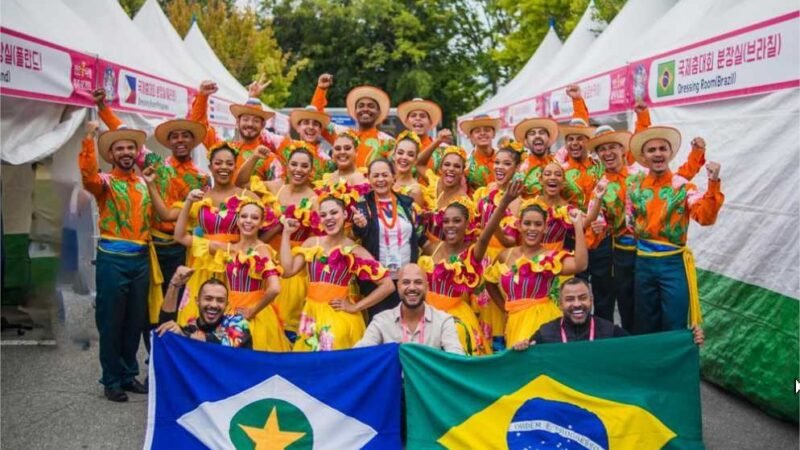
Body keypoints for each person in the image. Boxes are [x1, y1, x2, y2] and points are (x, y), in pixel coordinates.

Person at [92, 88, 210, 329]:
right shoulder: (157, 165)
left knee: (180, 299)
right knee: (149, 304)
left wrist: (203, 98)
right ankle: (152, 354)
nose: (179, 140)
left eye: (185, 135)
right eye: (174, 136)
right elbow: (125, 136)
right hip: (152, 246)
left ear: (193, 140)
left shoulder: (202, 178)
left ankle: (175, 349)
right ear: (168, 141)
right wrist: (103, 108)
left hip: (181, 247)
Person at [79, 121, 151, 402]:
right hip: (112, 260)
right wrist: (89, 137)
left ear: (136, 152)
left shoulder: (145, 183)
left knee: (134, 321)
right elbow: (87, 176)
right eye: (119, 148)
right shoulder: (104, 183)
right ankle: (111, 379)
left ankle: (127, 373)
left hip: (142, 260)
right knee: (111, 321)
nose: (125, 151)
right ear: (110, 155)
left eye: (130, 147)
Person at [627, 127, 724, 334]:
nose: (658, 153)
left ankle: (674, 365)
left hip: (672, 264)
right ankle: (649, 364)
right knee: (645, 322)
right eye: (652, 150)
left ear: (670, 154)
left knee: (675, 321)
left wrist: (713, 183)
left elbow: (705, 218)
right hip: (642, 262)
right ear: (643, 157)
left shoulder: (683, 187)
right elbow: (630, 220)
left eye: (663, 148)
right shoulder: (634, 186)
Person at [172, 192, 289, 351]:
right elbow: (180, 236)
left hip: (255, 316)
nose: (248, 221)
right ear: (238, 220)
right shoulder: (228, 249)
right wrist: (189, 201)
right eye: (244, 216)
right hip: (230, 311)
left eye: (254, 218)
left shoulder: (262, 249)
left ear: (262, 223)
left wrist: (251, 312)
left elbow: (275, 288)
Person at [418, 179, 523, 355]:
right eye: (447, 221)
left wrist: (505, 201)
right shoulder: (432, 248)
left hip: (456, 320)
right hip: (426, 316)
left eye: (457, 221)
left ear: (467, 225)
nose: (450, 225)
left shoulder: (471, 254)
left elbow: (486, 235)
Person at [280, 196, 396, 351]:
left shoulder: (354, 250)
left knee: (332, 363)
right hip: (310, 316)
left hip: (338, 317)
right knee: (308, 364)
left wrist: (356, 307)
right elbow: (288, 271)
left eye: (334, 213)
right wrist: (286, 234)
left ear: (345, 215)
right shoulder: (311, 243)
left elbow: (388, 285)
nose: (329, 218)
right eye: (323, 215)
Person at [167, 143, 261, 325]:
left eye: (229, 163)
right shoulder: (200, 197)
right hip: (204, 261)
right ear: (210, 167)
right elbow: (179, 234)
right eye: (218, 163)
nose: (223, 168)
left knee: (234, 319)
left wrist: (247, 253)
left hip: (236, 263)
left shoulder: (248, 197)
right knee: (198, 313)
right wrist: (187, 202)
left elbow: (262, 231)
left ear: (235, 166)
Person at [485, 199, 588, 348]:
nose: (532, 229)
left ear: (545, 228)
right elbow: (489, 281)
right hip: (514, 321)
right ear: (519, 225)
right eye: (527, 223)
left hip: (542, 321)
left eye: (538, 224)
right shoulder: (505, 255)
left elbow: (581, 264)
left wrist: (578, 225)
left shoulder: (550, 257)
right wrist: (504, 308)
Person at [243, 144, 321, 340]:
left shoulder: (315, 200)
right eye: (294, 164)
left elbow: (320, 236)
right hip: (268, 258)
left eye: (304, 166)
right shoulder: (275, 188)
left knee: (287, 322)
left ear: (311, 170)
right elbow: (242, 182)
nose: (298, 170)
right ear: (286, 166)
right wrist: (254, 158)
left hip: (295, 266)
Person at [512, 277, 704, 347]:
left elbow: (645, 349)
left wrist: (686, 340)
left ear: (591, 300)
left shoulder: (609, 331)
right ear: (560, 304)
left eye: (583, 298)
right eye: (570, 299)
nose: (577, 304)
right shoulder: (546, 333)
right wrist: (521, 349)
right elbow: (523, 367)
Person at [353, 159, 426, 319]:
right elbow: (360, 232)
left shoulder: (407, 204)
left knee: (407, 325)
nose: (380, 180)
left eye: (385, 175)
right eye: (376, 175)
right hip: (379, 282)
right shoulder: (363, 205)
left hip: (406, 280)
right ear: (369, 179)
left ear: (394, 177)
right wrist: (362, 226)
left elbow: (420, 236)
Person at [355, 264, 464, 354]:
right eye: (406, 282)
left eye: (418, 282)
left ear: (427, 287)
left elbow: (457, 358)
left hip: (426, 380)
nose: (412, 288)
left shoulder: (443, 321)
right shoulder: (381, 321)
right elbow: (360, 353)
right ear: (398, 287)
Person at [189, 79, 284, 181]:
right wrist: (202, 97)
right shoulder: (223, 148)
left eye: (256, 121)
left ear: (263, 125)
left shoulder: (268, 157)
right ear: (237, 122)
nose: (250, 124)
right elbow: (199, 126)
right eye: (246, 119)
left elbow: (278, 189)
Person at [156, 266, 252, 349]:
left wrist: (187, 337)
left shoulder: (238, 323)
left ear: (226, 305)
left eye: (220, 300)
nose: (214, 305)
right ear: (197, 301)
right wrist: (174, 285)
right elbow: (165, 327)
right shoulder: (190, 328)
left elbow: (227, 344)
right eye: (208, 298)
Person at [312, 73, 394, 168]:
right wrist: (321, 90)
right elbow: (316, 119)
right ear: (355, 111)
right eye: (361, 106)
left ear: (379, 112)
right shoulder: (342, 134)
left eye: (371, 106)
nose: (365, 109)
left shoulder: (388, 142)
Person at [423, 146, 469, 242]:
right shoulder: (435, 183)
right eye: (447, 164)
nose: (451, 169)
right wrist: (438, 141)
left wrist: (425, 235)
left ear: (462, 172)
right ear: (440, 168)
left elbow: (458, 241)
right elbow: (419, 164)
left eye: (457, 166)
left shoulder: (463, 202)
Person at [397, 98, 453, 171]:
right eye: (413, 116)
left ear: (430, 122)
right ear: (406, 122)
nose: (418, 118)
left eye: (423, 116)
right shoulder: (397, 148)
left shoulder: (442, 149)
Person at [513, 117, 558, 196]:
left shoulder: (559, 165)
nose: (537, 136)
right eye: (532, 133)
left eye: (542, 132)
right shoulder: (520, 170)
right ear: (526, 141)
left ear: (548, 139)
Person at [460, 114, 501, 191]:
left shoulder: (504, 159)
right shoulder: (465, 163)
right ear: (471, 137)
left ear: (494, 134)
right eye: (477, 131)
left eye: (487, 130)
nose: (482, 133)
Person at [391, 130, 426, 205]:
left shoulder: (415, 191)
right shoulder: (386, 181)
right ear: (394, 155)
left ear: (416, 160)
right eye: (400, 153)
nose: (404, 157)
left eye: (410, 155)